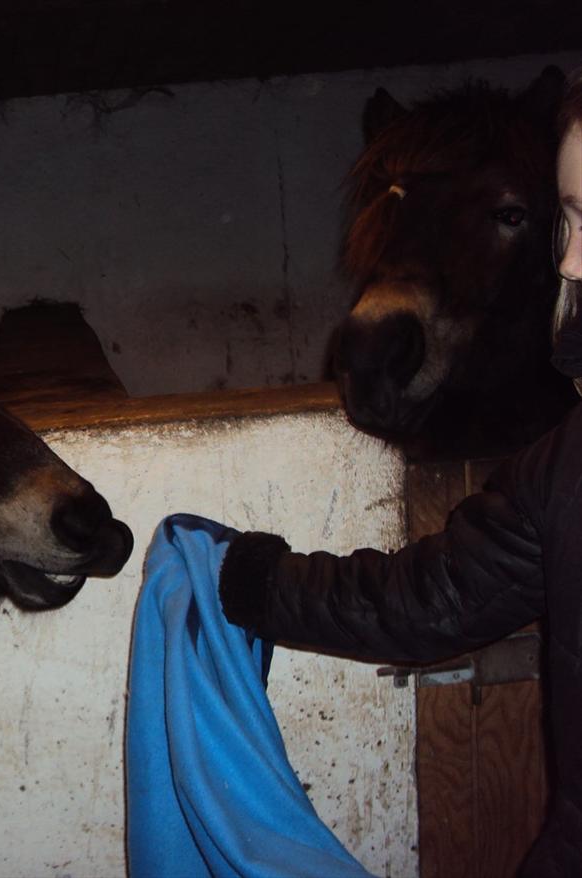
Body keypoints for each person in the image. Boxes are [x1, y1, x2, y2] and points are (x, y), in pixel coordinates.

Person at [217, 71, 582, 877]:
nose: (570, 264)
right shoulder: (567, 465)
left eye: (528, 220)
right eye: (567, 223)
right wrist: (250, 581)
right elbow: (438, 595)